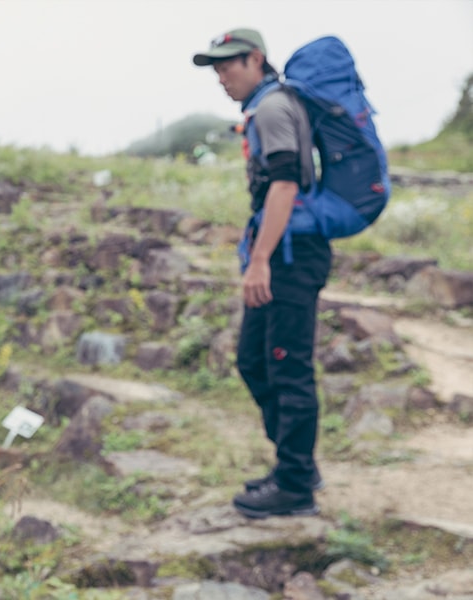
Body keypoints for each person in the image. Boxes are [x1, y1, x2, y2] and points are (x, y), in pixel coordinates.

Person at [192, 29, 332, 518]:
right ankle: (297, 465)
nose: (222, 76)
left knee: (287, 367)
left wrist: (260, 261)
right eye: (216, 68)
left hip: (290, 256)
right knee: (254, 359)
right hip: (282, 252)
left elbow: (285, 184)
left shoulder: (272, 108)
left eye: (229, 65)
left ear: (256, 59)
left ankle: (295, 487)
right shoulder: (266, 107)